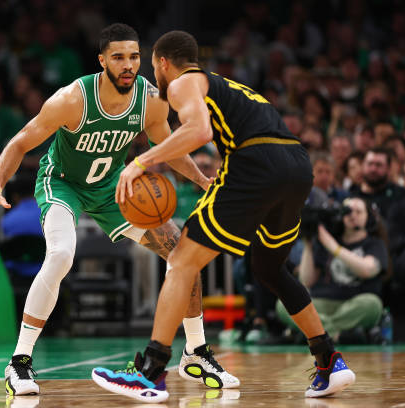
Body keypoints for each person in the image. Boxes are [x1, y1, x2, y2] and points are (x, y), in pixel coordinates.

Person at [0, 24, 239, 396]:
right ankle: (19, 363)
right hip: (62, 182)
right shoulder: (72, 99)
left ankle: (195, 351)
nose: (128, 65)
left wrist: (203, 180)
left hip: (112, 187)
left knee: (182, 252)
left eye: (134, 57)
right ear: (102, 61)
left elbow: (170, 145)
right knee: (61, 254)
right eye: (119, 57)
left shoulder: (150, 100)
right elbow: (19, 142)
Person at [92, 30, 355, 403]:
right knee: (270, 269)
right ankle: (329, 360)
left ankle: (150, 371)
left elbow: (199, 131)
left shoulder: (184, 82)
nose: (155, 78)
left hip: (255, 165)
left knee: (181, 260)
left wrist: (141, 161)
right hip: (297, 167)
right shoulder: (229, 86)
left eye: (153, 69)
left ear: (164, 62)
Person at [276, 197, 386, 343]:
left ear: (368, 217)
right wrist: (308, 245)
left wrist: (333, 246)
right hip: (322, 302)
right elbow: (307, 280)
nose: (353, 215)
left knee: (373, 304)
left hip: (354, 303)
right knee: (284, 303)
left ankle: (315, 334)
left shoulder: (374, 244)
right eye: (348, 211)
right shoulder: (326, 241)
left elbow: (368, 269)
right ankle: (334, 334)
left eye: (359, 212)